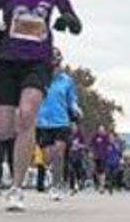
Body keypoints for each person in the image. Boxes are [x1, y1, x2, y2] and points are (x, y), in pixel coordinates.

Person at [0, 0, 82, 211]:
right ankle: (18, 148)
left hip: (38, 62)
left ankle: (16, 188)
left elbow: (75, 21)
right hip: (7, 60)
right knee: (3, 129)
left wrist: (67, 20)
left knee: (27, 115)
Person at [34, 48, 79, 202]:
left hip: (61, 121)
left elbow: (71, 99)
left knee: (58, 154)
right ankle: (53, 174)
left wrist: (75, 111)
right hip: (42, 122)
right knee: (47, 158)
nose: (54, 66)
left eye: (56, 62)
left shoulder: (67, 81)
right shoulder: (39, 78)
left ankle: (55, 186)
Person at [90, 125, 112, 192]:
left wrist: (109, 149)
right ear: (98, 130)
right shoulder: (95, 136)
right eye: (100, 130)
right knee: (96, 171)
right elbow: (91, 144)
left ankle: (102, 186)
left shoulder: (106, 137)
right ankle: (99, 184)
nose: (101, 131)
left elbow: (109, 144)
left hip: (103, 156)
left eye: (102, 130)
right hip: (96, 156)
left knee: (102, 171)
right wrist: (91, 152)